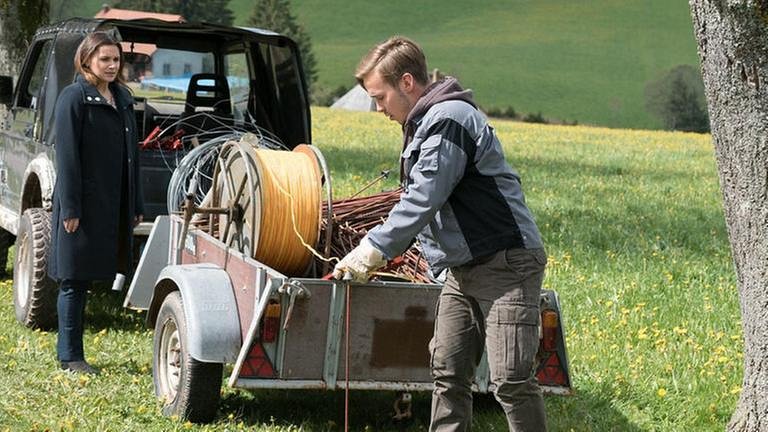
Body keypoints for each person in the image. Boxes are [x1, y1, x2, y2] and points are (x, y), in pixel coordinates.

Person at [333, 36, 548, 431]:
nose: (378, 108)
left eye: (380, 97)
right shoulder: (425, 123)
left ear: (408, 83)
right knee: (447, 371)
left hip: (507, 265)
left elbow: (424, 197)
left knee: (511, 381)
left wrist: (372, 250)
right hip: (463, 269)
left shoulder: (449, 120)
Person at [48, 32, 144, 375]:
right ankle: (70, 356)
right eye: (104, 59)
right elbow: (68, 157)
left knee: (91, 276)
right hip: (82, 205)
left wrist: (135, 203)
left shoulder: (122, 97)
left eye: (115, 59)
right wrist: (71, 208)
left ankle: (72, 353)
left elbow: (132, 156)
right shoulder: (73, 97)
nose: (111, 65)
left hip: (112, 202)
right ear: (86, 59)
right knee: (74, 279)